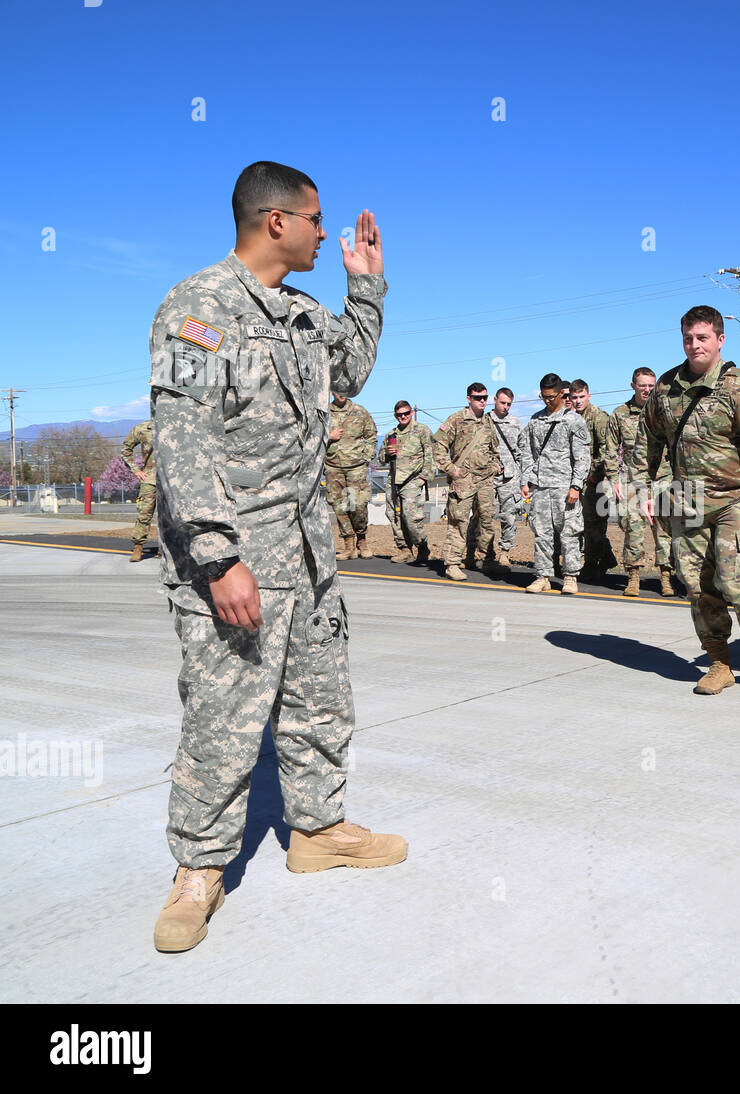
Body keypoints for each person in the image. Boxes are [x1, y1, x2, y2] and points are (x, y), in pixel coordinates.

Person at [148, 160, 404, 954]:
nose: (329, 234)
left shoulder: (299, 314)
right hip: (238, 553)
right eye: (317, 220)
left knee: (320, 701)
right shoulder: (200, 304)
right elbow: (181, 434)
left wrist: (367, 291)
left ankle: (318, 829)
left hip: (308, 550)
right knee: (224, 715)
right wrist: (219, 558)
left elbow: (351, 374)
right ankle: (199, 870)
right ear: (275, 222)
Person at [630, 305, 740, 695]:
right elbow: (647, 440)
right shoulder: (667, 388)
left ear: (720, 340)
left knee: (738, 582)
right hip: (686, 500)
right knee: (698, 587)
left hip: (735, 499)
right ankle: (720, 663)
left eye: (702, 338)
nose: (694, 345)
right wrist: (641, 488)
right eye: (688, 338)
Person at [519, 373, 590, 594]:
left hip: (565, 487)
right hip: (540, 487)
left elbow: (582, 456)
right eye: (543, 397)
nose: (547, 401)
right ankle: (543, 576)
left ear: (561, 393)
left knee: (569, 533)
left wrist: (576, 485)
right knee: (542, 533)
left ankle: (570, 577)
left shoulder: (574, 420)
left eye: (551, 396)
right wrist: (525, 480)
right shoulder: (535, 420)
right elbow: (527, 452)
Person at [609, 367, 674, 597]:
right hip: (633, 480)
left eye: (650, 385)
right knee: (633, 529)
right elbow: (610, 449)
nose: (647, 389)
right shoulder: (620, 414)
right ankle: (633, 576)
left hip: (662, 478)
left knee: (664, 530)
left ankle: (665, 577)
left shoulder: (664, 412)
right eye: (642, 385)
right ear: (633, 385)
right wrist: (613, 479)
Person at [433, 382, 500, 581]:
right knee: (458, 523)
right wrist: (453, 470)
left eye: (485, 398)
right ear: (469, 398)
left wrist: (496, 465)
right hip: (463, 481)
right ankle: (452, 564)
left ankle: (486, 559)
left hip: (485, 480)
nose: (482, 401)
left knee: (487, 521)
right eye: (478, 397)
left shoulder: (488, 422)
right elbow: (438, 446)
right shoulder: (456, 420)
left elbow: (494, 448)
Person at [570, 379, 618, 579]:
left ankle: (591, 563)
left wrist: (594, 473)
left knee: (594, 523)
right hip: (577, 479)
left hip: (596, 481)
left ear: (589, 396)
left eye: (582, 397)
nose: (578, 401)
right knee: (582, 523)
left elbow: (607, 449)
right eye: (574, 398)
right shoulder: (571, 418)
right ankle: (605, 558)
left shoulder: (598, 418)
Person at [325, 390, 377, 560]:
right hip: (333, 467)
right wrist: (328, 436)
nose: (341, 393)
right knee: (339, 507)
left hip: (356, 468)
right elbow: (311, 436)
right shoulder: (324, 412)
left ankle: (362, 540)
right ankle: (348, 546)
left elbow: (371, 436)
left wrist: (366, 457)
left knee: (357, 505)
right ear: (332, 391)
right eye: (337, 390)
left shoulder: (360, 411)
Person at [382, 400, 435, 564]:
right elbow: (380, 459)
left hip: (412, 480)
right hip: (393, 480)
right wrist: (387, 452)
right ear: (395, 416)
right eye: (399, 414)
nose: (403, 417)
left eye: (406, 413)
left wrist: (424, 477)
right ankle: (404, 549)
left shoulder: (421, 430)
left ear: (411, 413)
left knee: (411, 517)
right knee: (393, 515)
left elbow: (430, 454)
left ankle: (422, 546)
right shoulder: (391, 435)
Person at [488, 387, 525, 572]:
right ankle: (480, 552)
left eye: (509, 404)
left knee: (509, 517)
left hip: (510, 477)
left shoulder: (516, 423)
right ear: (494, 400)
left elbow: (524, 452)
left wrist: (523, 479)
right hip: (487, 476)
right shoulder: (484, 422)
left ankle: (504, 552)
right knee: (482, 516)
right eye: (502, 403)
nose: (505, 407)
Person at [120, 419, 156, 563]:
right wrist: (136, 470)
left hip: (172, 481)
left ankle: (165, 549)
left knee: (170, 518)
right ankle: (138, 547)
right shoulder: (142, 428)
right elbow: (125, 450)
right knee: (144, 514)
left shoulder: (176, 425)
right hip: (150, 479)